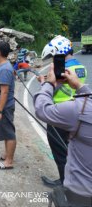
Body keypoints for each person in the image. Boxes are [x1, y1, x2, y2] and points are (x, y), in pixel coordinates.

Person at [34, 65, 92, 207]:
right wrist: (79, 86)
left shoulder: (80, 109)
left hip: (81, 193)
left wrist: (48, 84)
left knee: (60, 152)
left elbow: (41, 109)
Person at [39, 35, 87, 187]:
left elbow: (52, 90)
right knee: (71, 151)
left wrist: (44, 83)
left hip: (59, 115)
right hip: (76, 114)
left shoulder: (63, 71)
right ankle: (70, 180)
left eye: (54, 55)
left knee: (59, 151)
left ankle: (63, 183)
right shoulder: (79, 67)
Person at [0, 41, 16, 170]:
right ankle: (6, 155)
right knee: (6, 132)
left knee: (9, 133)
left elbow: (4, 92)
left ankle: (9, 161)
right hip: (3, 107)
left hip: (4, 108)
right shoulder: (4, 66)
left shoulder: (5, 69)